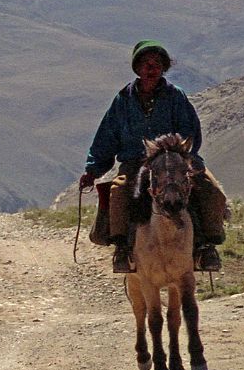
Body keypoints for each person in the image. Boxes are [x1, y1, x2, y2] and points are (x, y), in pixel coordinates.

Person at [78, 40, 227, 273]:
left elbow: (191, 131)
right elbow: (107, 137)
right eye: (146, 64)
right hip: (136, 162)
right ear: (137, 68)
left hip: (176, 159)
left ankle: (207, 246)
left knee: (211, 189)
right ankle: (122, 249)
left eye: (157, 64)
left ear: (163, 68)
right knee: (118, 191)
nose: (151, 68)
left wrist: (176, 144)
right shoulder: (123, 101)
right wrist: (93, 170)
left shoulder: (175, 96)